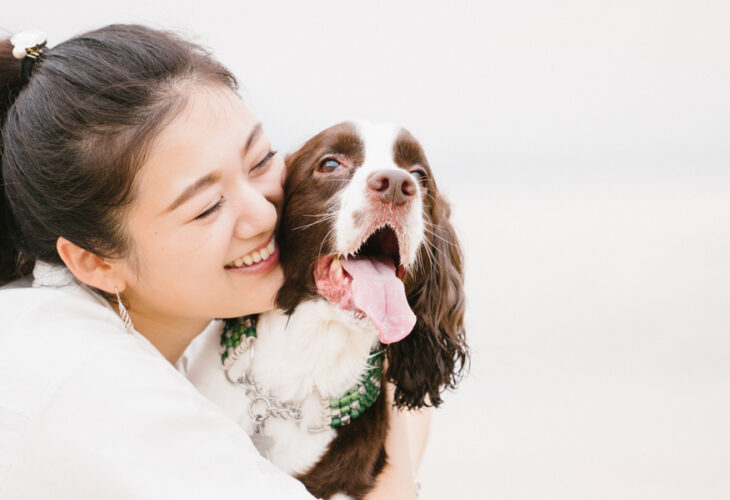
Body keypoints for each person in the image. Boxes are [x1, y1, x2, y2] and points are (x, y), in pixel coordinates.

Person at [0, 25, 423, 499]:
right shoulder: (100, 388)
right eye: (207, 207)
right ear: (95, 262)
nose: (264, 213)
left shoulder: (45, 321)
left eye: (261, 161)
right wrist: (402, 452)